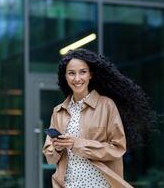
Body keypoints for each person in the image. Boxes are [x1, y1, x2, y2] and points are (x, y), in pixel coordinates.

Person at [43, 49, 157, 188]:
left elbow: (117, 149)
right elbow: (50, 158)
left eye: (83, 72)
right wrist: (58, 148)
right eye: (71, 73)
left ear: (90, 74)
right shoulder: (58, 111)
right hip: (69, 184)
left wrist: (76, 143)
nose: (77, 78)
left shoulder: (106, 105)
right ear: (65, 76)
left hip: (99, 184)